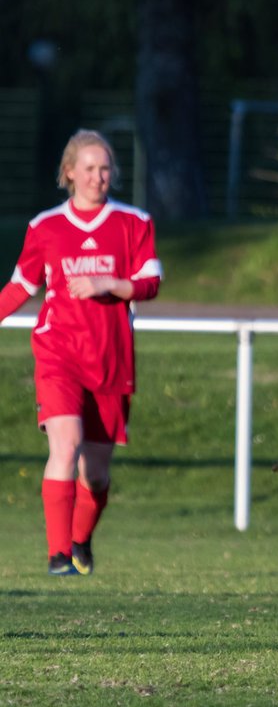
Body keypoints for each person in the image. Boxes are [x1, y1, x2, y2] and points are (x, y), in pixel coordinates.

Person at [0, 129, 163, 575]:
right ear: (69, 172)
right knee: (65, 445)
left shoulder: (134, 223)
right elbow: (21, 286)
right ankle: (57, 557)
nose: (98, 177)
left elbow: (150, 284)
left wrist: (109, 284)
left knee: (96, 474)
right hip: (58, 354)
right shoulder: (46, 227)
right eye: (89, 168)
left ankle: (80, 539)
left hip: (110, 358)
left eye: (105, 167)